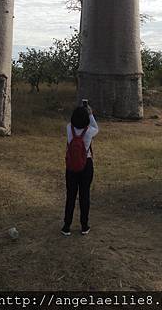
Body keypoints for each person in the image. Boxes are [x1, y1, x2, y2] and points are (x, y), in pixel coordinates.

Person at [61, 101, 99, 236]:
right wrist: (90, 113)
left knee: (70, 196)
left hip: (71, 166)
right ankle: (84, 226)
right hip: (86, 165)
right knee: (84, 195)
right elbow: (96, 127)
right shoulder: (89, 132)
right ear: (86, 119)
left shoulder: (68, 128)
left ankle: (66, 226)